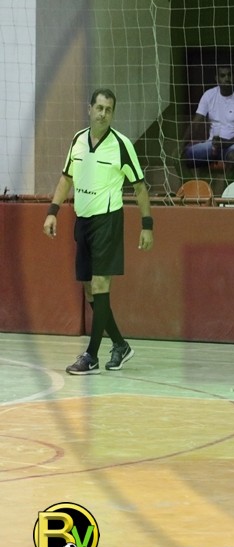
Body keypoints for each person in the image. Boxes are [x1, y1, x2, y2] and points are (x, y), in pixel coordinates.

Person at [42, 88, 154, 375]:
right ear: (89, 108)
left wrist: (147, 226)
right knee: (90, 289)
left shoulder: (122, 145)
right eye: (99, 108)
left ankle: (91, 356)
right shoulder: (78, 140)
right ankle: (120, 344)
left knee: (101, 284)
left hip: (108, 221)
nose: (103, 114)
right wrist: (52, 211)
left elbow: (140, 187)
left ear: (113, 114)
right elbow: (66, 179)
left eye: (109, 110)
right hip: (84, 222)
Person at [182, 65, 234, 174]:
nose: (227, 78)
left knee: (233, 157)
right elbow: (196, 123)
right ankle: (193, 184)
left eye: (229, 75)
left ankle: (227, 186)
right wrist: (181, 145)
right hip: (213, 144)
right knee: (182, 157)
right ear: (217, 79)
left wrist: (225, 143)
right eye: (223, 76)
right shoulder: (209, 95)